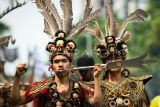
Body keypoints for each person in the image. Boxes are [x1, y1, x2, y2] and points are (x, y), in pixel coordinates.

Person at [84, 0, 153, 106]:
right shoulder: (96, 87)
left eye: (116, 56)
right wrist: (96, 78)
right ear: (104, 62)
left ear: (122, 58)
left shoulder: (136, 85)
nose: (113, 60)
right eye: (109, 58)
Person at [11, 30, 103, 107]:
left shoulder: (80, 87)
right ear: (51, 66)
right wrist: (17, 77)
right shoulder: (42, 87)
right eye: (56, 61)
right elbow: (16, 101)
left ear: (70, 65)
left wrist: (97, 78)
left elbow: (97, 103)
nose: (60, 64)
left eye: (64, 61)